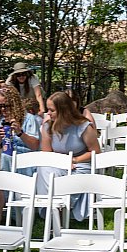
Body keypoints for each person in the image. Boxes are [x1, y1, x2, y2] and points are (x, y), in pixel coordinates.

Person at [39, 91, 101, 222]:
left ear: (63, 111)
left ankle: (59, 209)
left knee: (68, 177)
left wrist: (74, 160)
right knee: (44, 168)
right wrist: (61, 162)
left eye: (52, 110)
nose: (48, 114)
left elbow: (95, 151)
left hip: (80, 165)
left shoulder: (83, 126)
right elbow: (46, 154)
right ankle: (54, 207)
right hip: (56, 164)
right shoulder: (48, 126)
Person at [0, 84, 41, 170]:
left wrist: (20, 133)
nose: (3, 109)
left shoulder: (29, 119)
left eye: (6, 106)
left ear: (15, 104)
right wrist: (0, 139)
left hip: (24, 160)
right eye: (0, 106)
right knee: (3, 157)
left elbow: (35, 146)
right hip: (2, 160)